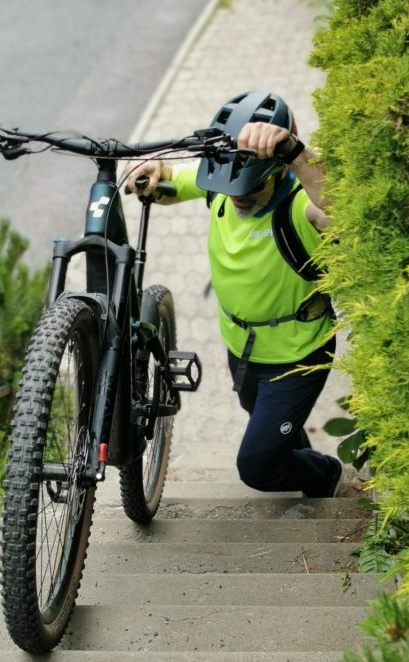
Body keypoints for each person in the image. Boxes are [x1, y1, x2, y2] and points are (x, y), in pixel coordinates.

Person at [124, 90, 343, 498]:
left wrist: (297, 153)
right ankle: (291, 453)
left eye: (249, 187)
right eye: (229, 187)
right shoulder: (224, 186)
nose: (237, 197)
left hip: (296, 357)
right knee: (263, 423)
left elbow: (339, 209)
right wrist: (155, 169)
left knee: (257, 467)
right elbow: (175, 180)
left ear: (277, 171)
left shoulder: (299, 205)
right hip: (241, 349)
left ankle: (326, 474)